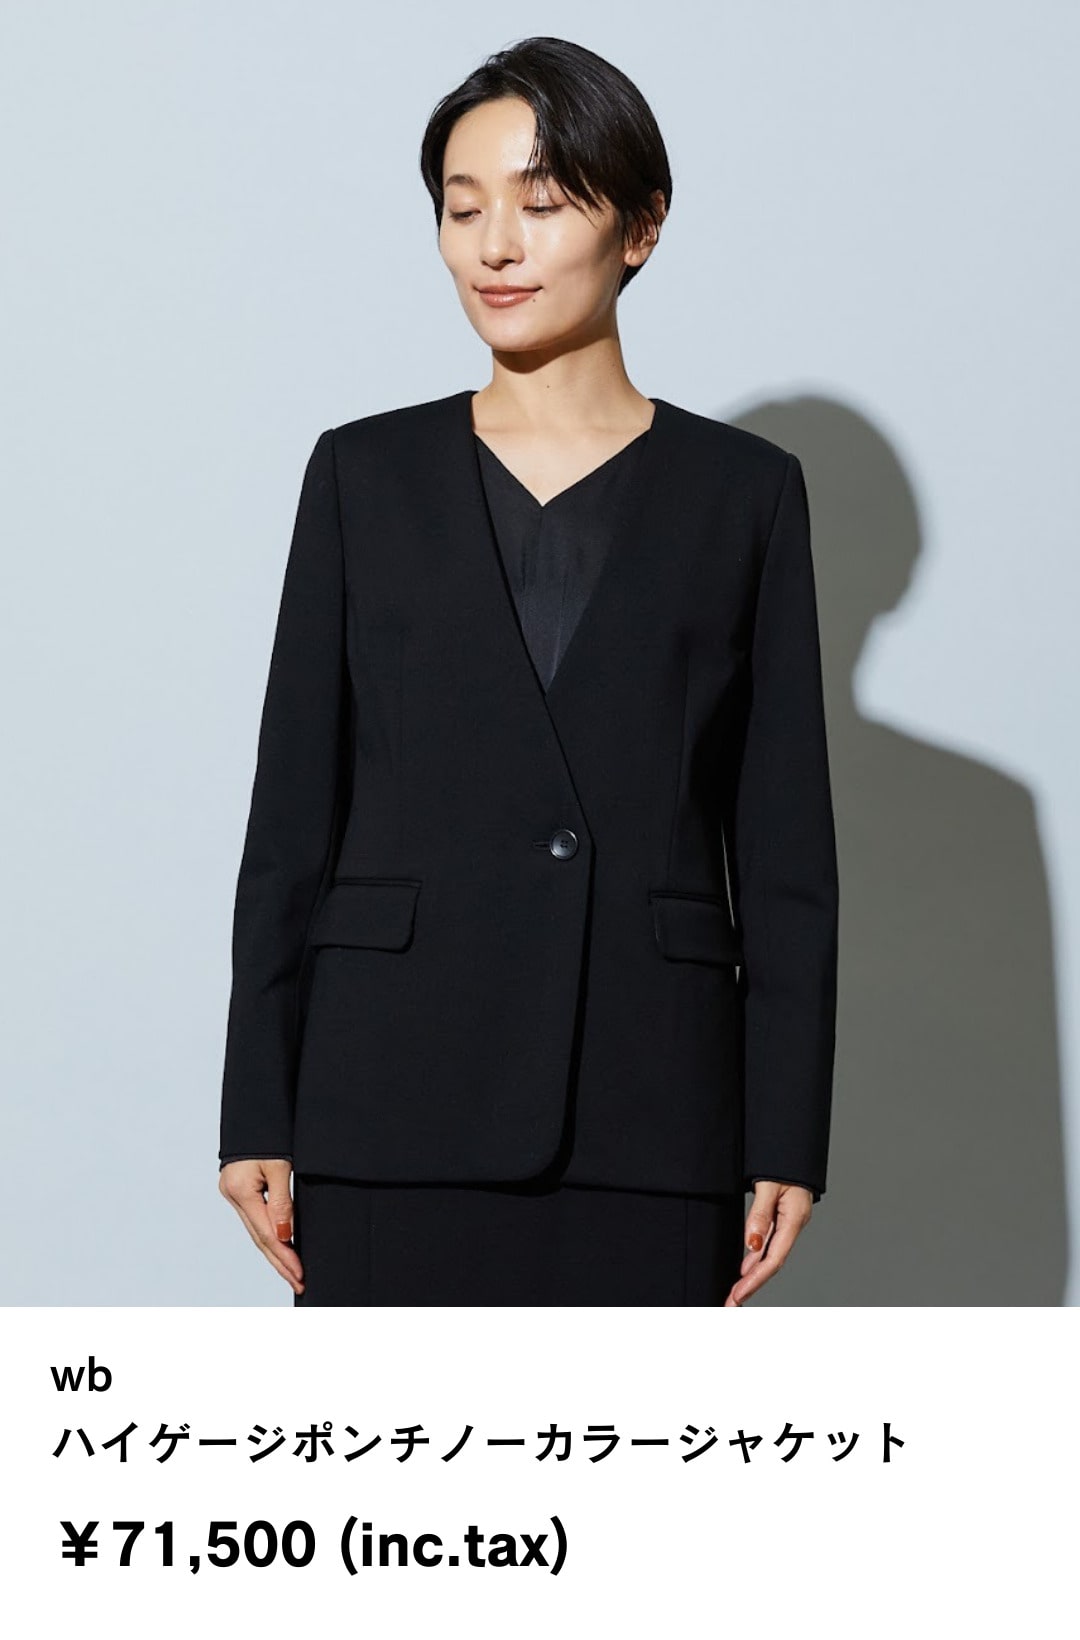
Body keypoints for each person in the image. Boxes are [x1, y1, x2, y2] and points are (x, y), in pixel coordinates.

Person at [218, 36, 839, 1309]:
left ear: (642, 226)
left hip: (651, 1110)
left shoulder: (745, 497)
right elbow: (289, 824)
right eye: (464, 209)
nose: (495, 246)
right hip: (385, 1101)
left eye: (542, 204)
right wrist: (256, 1105)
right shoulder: (361, 477)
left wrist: (787, 1130)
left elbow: (785, 851)